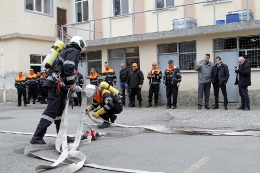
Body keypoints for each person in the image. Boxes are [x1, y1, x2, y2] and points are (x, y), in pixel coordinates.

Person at [30, 36, 87, 144]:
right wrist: (72, 84)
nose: (82, 50)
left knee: (59, 112)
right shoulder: (73, 51)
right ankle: (37, 137)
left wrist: (70, 86)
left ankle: (62, 136)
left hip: (58, 85)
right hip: (56, 85)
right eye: (82, 48)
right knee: (51, 111)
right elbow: (69, 67)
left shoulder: (67, 51)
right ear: (79, 44)